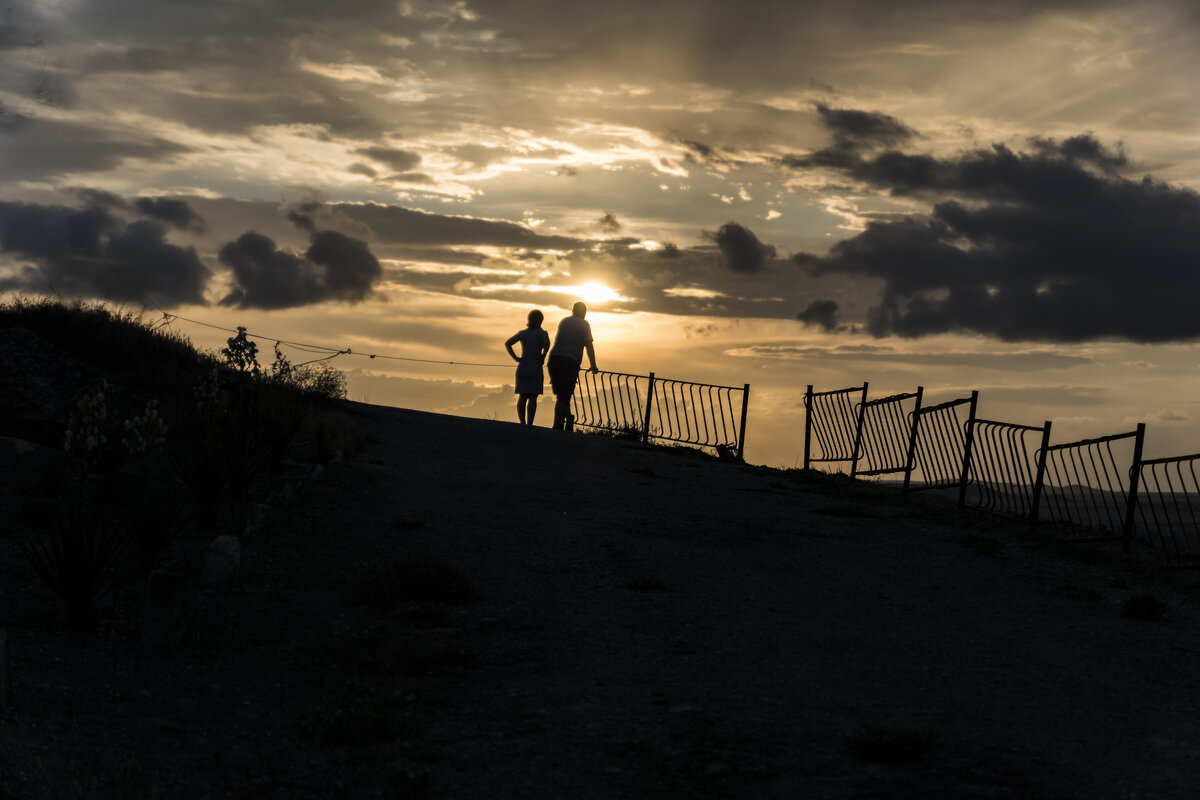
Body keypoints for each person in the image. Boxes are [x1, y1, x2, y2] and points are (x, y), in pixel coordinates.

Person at [547, 301, 598, 431]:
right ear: (584, 313)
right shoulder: (584, 324)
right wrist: (593, 365)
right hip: (569, 362)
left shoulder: (564, 321)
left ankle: (567, 419)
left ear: (573, 310)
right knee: (564, 396)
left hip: (554, 360)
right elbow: (589, 345)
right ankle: (558, 426)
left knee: (562, 395)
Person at [504, 309, 551, 426]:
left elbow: (508, 343)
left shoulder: (523, 333)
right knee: (533, 397)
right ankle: (530, 423)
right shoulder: (542, 333)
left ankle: (522, 422)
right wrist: (543, 356)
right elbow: (547, 344)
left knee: (522, 396)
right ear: (541, 320)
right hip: (535, 367)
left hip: (523, 366)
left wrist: (516, 358)